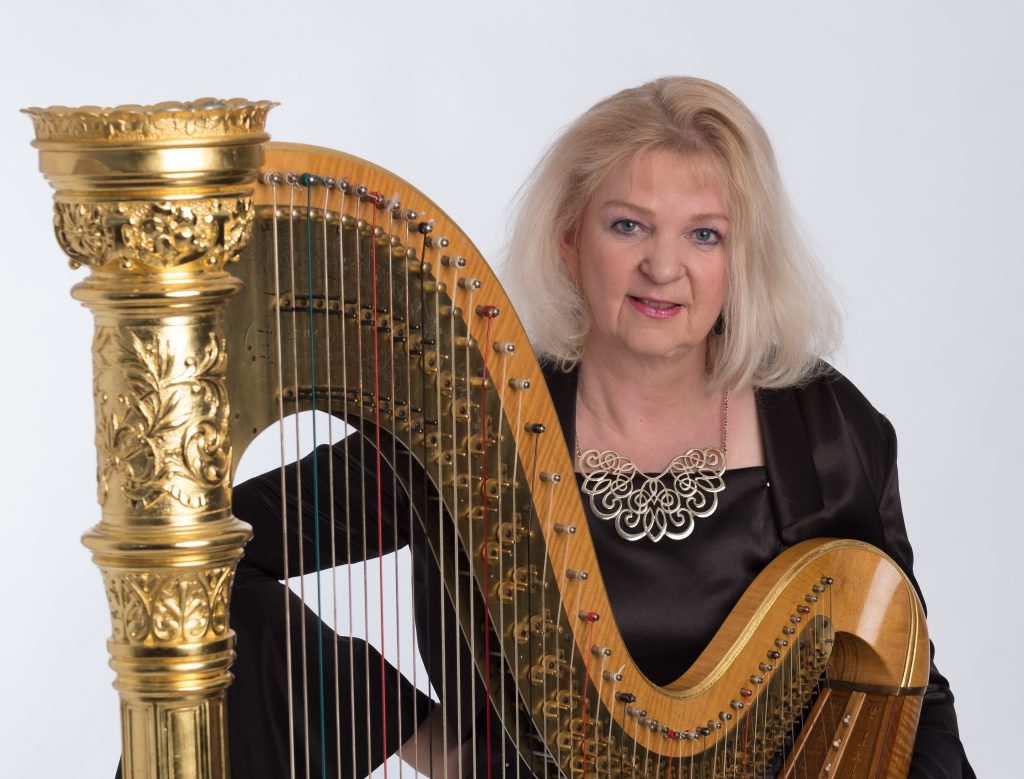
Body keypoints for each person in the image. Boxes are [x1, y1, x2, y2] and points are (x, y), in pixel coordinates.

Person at [225, 76, 973, 778]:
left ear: (742, 256)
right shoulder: (477, 426)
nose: (664, 267)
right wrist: (420, 731)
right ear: (569, 239)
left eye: (704, 235)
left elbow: (906, 678)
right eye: (628, 226)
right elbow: (215, 554)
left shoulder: (824, 428)